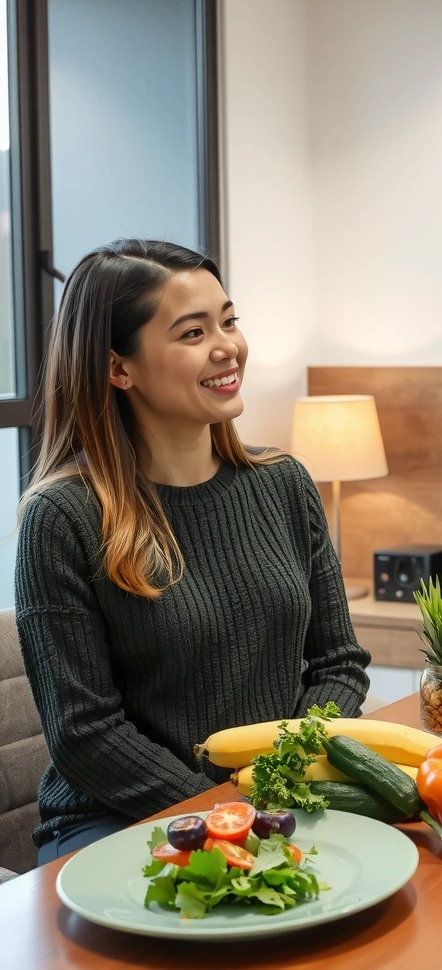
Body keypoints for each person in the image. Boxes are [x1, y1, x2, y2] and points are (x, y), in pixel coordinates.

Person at [15, 240, 371, 865]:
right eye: (191, 332)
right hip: (119, 820)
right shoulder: (62, 519)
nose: (227, 346)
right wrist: (227, 809)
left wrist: (281, 779)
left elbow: (337, 663)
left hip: (275, 805)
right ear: (118, 369)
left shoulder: (285, 484)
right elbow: (86, 736)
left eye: (229, 321)